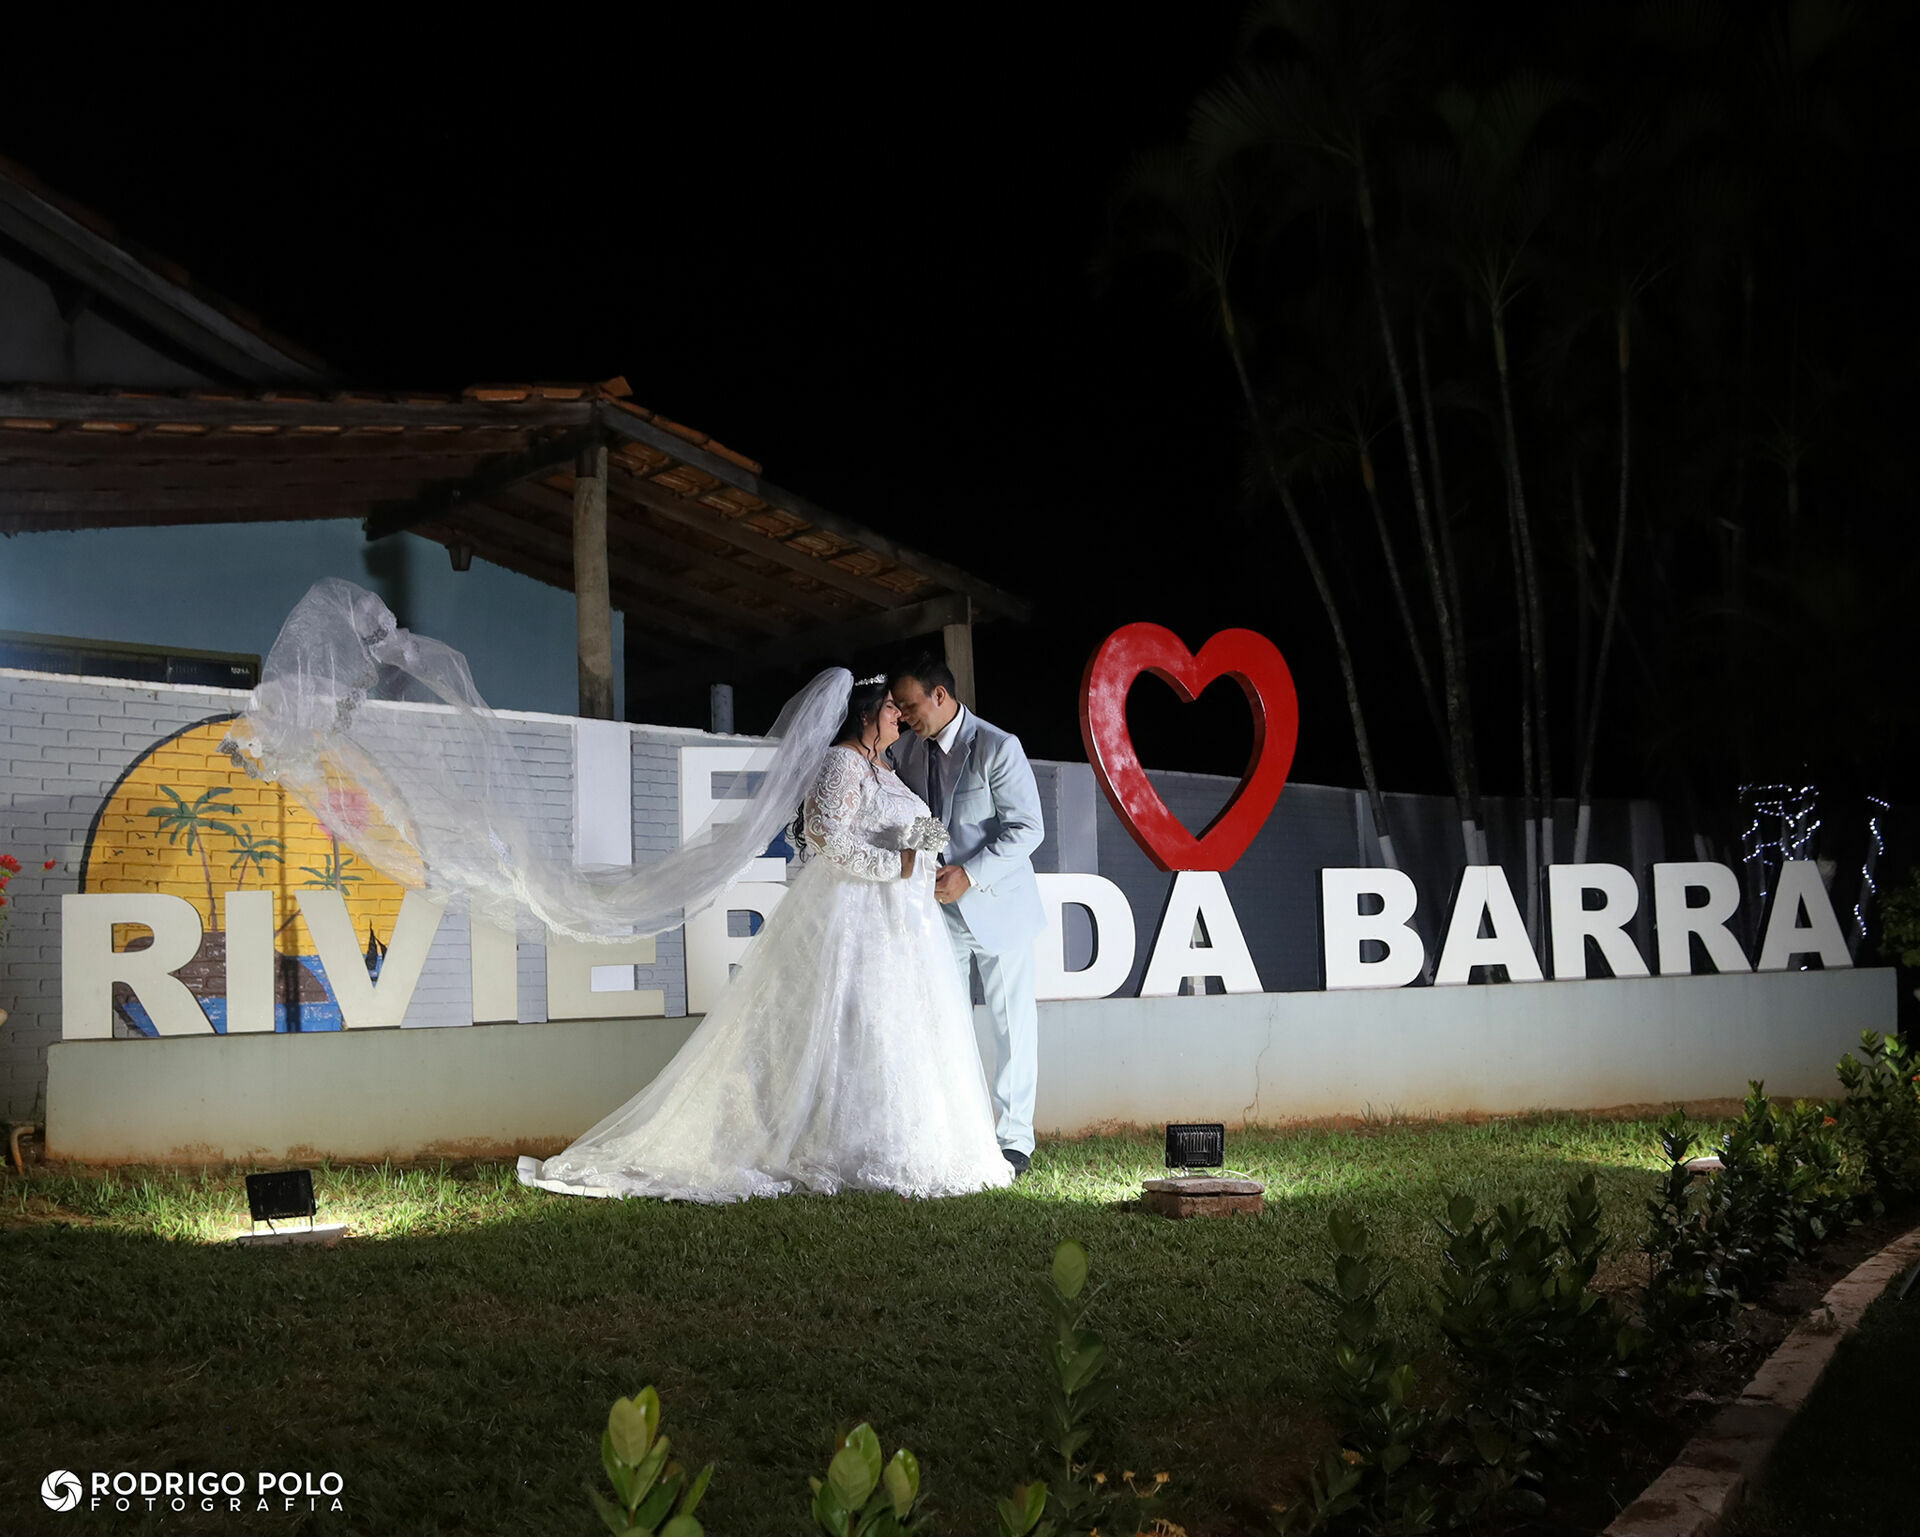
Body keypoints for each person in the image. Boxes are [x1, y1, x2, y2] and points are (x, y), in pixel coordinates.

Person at [517, 675, 1012, 1202]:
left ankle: (888, 1143)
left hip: (901, 923)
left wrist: (924, 853)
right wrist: (898, 865)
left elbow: (907, 830)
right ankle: (829, 1144)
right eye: (891, 708)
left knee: (891, 1026)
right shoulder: (842, 762)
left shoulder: (889, 768)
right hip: (853, 915)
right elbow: (824, 836)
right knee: (849, 1019)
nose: (900, 717)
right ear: (865, 715)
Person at [886, 655, 1045, 1177]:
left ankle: (1015, 1141)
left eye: (909, 705)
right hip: (938, 913)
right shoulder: (907, 751)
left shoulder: (998, 746)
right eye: (898, 708)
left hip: (999, 907)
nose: (903, 716)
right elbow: (920, 820)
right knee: (947, 1024)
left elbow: (1028, 829)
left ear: (939, 695)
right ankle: (962, 1133)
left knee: (1011, 1028)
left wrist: (970, 875)